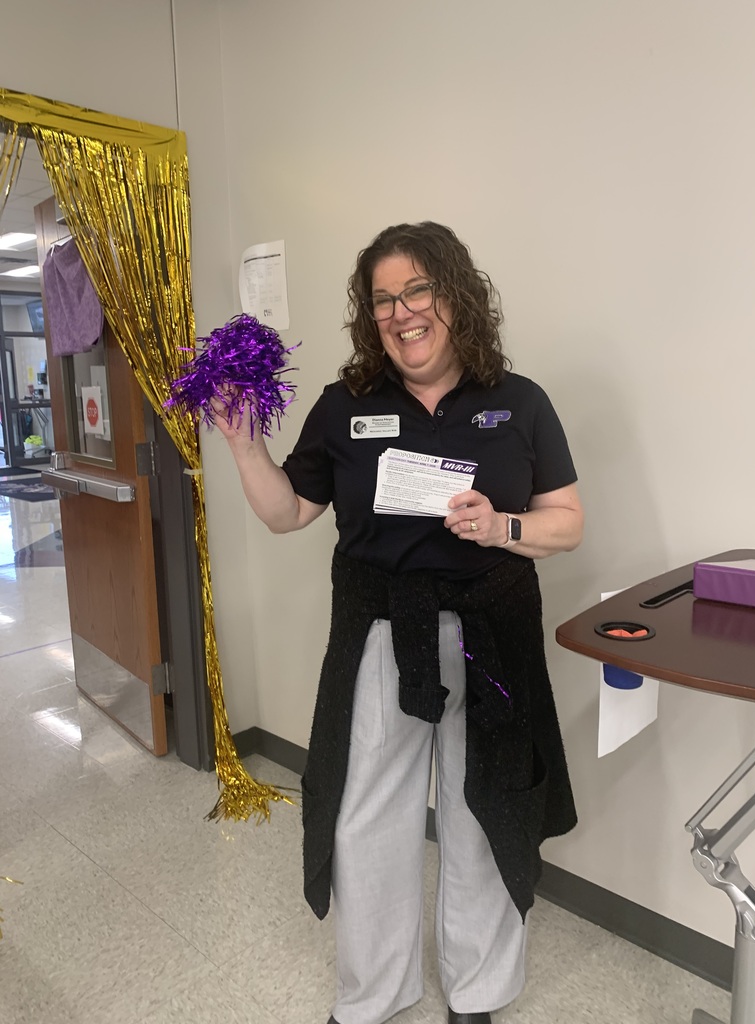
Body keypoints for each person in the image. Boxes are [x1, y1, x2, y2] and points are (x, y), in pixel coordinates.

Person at [214, 222, 583, 1024]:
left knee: (479, 808)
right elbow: (289, 513)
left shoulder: (520, 404)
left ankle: (478, 990)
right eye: (383, 299)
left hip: (492, 638)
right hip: (384, 635)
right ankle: (372, 993)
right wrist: (246, 451)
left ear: (455, 296)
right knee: (367, 813)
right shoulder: (346, 406)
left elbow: (567, 521)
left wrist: (503, 528)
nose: (401, 312)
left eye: (418, 290)